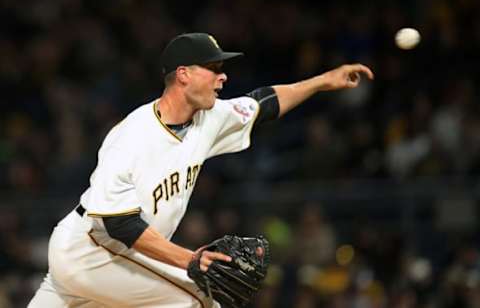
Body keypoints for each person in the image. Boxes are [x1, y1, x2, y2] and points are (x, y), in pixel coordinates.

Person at [28, 32, 374, 308]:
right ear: (184, 75)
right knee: (199, 299)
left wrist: (321, 82)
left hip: (116, 260)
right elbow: (120, 224)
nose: (223, 76)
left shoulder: (209, 117)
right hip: (92, 252)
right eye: (213, 67)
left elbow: (263, 104)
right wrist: (191, 259)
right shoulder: (131, 136)